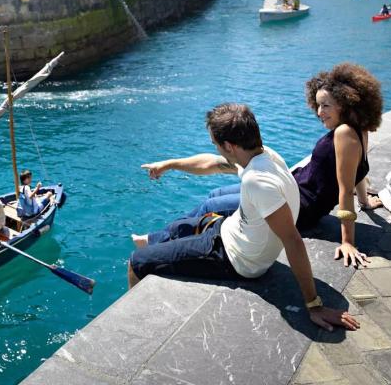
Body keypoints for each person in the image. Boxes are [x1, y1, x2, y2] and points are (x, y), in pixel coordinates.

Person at [128, 104, 360, 332]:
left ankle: (134, 326)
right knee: (178, 228)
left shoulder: (257, 182)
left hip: (233, 258)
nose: (216, 149)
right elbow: (212, 163)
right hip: (230, 230)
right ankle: (150, 241)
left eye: (216, 144)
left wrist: (314, 305)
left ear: (229, 145)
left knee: (138, 262)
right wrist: (169, 164)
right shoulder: (263, 155)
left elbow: (293, 240)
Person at [167, 64, 383, 267]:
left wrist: (347, 242)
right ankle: (170, 234)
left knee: (209, 207)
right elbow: (358, 171)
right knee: (214, 195)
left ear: (346, 103)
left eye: (326, 105)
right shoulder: (359, 130)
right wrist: (365, 202)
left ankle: (164, 240)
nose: (319, 112)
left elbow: (345, 190)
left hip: (296, 207)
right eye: (317, 105)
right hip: (291, 187)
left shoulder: (345, 134)